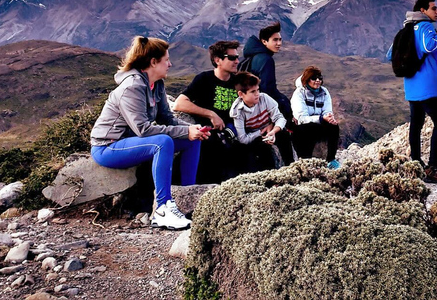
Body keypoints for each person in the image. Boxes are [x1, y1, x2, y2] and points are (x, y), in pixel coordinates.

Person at [90, 36, 210, 230]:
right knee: (162, 142)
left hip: (132, 141)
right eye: (166, 60)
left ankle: (189, 199)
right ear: (153, 62)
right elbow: (143, 129)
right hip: (108, 147)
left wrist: (192, 130)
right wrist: (184, 130)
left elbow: (167, 119)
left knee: (192, 140)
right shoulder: (132, 87)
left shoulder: (157, 84)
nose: (170, 64)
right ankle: (162, 209)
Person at [389, 0, 437, 184]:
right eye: (434, 8)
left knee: (416, 124)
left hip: (412, 87)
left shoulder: (406, 29)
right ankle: (433, 168)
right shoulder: (426, 26)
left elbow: (390, 54)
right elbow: (429, 45)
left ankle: (416, 164)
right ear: (423, 10)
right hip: (428, 87)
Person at [174, 40, 241, 182]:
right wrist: (211, 114)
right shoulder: (204, 79)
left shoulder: (238, 82)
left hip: (232, 136)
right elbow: (179, 104)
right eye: (232, 58)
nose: (237, 61)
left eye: (237, 57)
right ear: (218, 60)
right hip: (207, 137)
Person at [229, 72, 295, 170]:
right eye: (252, 92)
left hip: (271, 130)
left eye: (258, 90)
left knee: (283, 135)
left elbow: (279, 118)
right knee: (262, 148)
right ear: (241, 94)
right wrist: (261, 132)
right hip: (255, 137)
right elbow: (243, 138)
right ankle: (270, 176)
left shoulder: (264, 98)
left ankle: (292, 167)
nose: (257, 94)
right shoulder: (238, 112)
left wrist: (273, 131)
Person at [242, 21, 293, 122]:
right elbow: (267, 89)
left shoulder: (254, 56)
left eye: (280, 40)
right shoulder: (266, 59)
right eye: (275, 40)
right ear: (264, 41)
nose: (279, 43)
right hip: (262, 111)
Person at [291, 66, 341, 169]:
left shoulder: (324, 91)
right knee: (309, 129)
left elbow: (327, 110)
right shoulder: (299, 93)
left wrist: (329, 117)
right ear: (307, 80)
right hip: (302, 126)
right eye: (314, 78)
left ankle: (331, 160)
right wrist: (321, 118)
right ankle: (305, 162)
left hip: (318, 123)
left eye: (320, 78)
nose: (317, 81)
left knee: (333, 127)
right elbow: (301, 118)